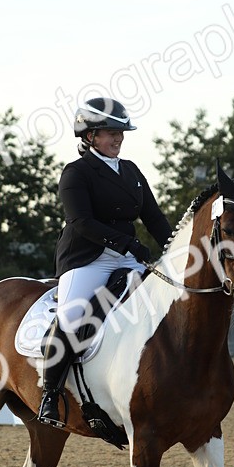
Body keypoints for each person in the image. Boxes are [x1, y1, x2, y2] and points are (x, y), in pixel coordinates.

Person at [38, 97, 173, 427]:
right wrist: (127, 242)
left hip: (127, 259)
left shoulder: (131, 171)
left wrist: (175, 250)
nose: (118, 138)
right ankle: (50, 394)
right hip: (87, 260)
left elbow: (153, 217)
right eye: (110, 132)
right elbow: (81, 221)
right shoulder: (76, 173)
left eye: (121, 132)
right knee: (70, 317)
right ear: (89, 136)